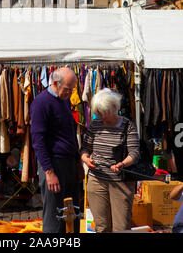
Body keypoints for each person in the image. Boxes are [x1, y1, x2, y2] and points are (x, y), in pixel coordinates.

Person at [81, 88, 140, 233]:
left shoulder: (127, 125)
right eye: (98, 112)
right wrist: (86, 159)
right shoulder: (96, 124)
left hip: (121, 183)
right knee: (101, 227)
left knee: (121, 227)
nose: (101, 116)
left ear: (115, 107)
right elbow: (84, 148)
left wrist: (122, 164)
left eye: (104, 112)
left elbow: (135, 153)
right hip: (96, 180)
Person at [30, 67, 81, 233]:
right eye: (67, 89)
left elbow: (70, 134)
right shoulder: (41, 103)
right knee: (54, 214)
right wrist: (49, 172)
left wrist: (78, 162)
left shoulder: (64, 99)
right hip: (53, 164)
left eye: (72, 89)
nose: (70, 93)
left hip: (69, 163)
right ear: (55, 83)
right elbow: (38, 140)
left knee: (72, 212)